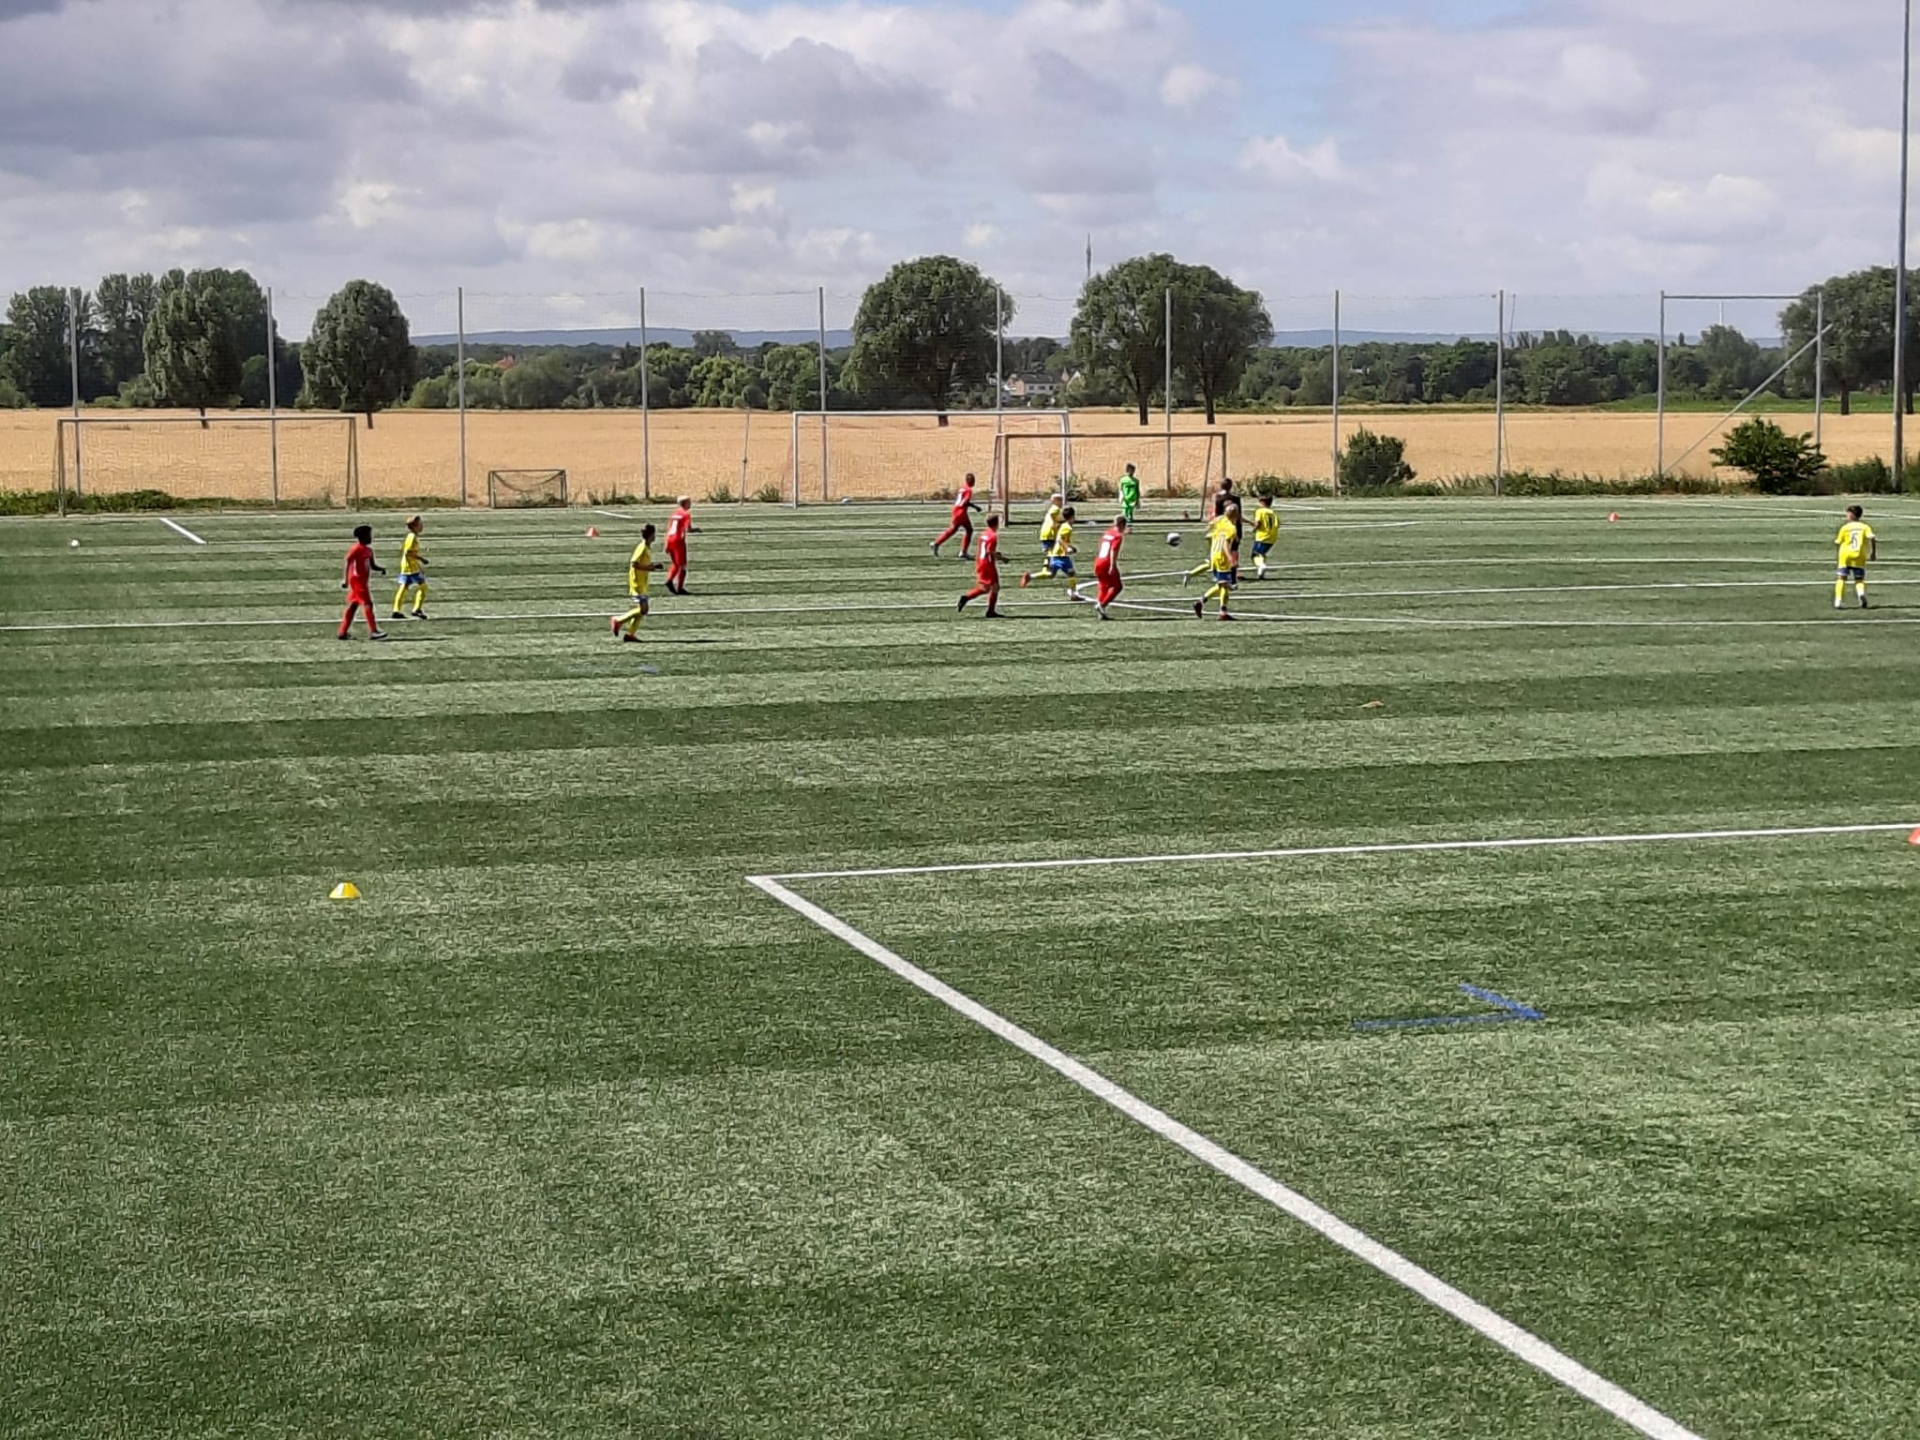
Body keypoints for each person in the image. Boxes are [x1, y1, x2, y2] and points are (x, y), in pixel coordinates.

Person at [338, 524, 389, 641]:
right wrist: (345, 579)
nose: (371, 537)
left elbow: (372, 565)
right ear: (362, 537)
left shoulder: (369, 551)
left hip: (363, 581)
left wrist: (380, 569)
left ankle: (342, 632)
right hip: (357, 580)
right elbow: (348, 561)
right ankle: (373, 631)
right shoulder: (356, 549)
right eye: (368, 535)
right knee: (367, 604)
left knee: (353, 606)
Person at [611, 523, 659, 642]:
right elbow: (634, 563)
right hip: (637, 582)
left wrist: (652, 566)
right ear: (651, 535)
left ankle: (630, 634)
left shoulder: (646, 547)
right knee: (643, 609)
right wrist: (649, 567)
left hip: (642, 582)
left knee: (642, 610)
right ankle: (618, 620)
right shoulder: (642, 547)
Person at [1193, 506, 1238, 621]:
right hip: (1222, 557)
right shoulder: (1231, 528)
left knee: (1221, 584)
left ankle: (1201, 602)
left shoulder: (1219, 519)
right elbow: (1225, 543)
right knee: (1225, 585)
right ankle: (1223, 612)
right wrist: (1230, 558)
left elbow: (1208, 528)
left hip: (1214, 554)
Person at [958, 514, 1006, 617]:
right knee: (995, 587)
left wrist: (995, 553)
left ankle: (966, 598)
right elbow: (989, 551)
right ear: (996, 523)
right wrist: (1001, 558)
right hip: (988, 563)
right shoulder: (993, 536)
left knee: (986, 588)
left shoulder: (984, 534)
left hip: (980, 561)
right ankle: (990, 611)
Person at [1021, 506, 1076, 589]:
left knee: (1051, 574)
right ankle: (1073, 593)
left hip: (1056, 554)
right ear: (1072, 517)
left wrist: (1070, 547)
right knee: (1071, 573)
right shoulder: (1067, 528)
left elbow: (1062, 540)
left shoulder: (1065, 526)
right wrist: (1067, 548)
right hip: (1060, 555)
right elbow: (1059, 539)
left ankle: (1030, 576)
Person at [1835, 504, 1877, 609]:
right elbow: (1872, 538)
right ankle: (1861, 594)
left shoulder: (1845, 527)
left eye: (1847, 513)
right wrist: (1873, 553)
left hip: (1845, 556)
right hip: (1859, 556)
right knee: (1859, 579)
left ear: (1852, 515)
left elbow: (1838, 541)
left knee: (1841, 578)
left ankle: (1838, 600)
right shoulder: (1865, 527)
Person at [933, 473, 982, 558]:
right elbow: (965, 502)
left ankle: (937, 543)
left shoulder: (962, 488)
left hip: (956, 510)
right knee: (968, 530)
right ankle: (962, 551)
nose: (974, 482)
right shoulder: (968, 490)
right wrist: (976, 507)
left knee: (955, 529)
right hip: (961, 512)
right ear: (970, 481)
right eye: (973, 480)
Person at [391, 514, 429, 619]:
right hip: (410, 567)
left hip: (407, 565)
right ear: (415, 526)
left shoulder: (410, 536)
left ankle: (396, 610)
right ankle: (416, 609)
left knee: (404, 587)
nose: (422, 526)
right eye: (420, 524)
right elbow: (408, 552)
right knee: (423, 587)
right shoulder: (412, 537)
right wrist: (421, 559)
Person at [1094, 514, 1128, 619]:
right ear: (1122, 525)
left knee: (1103, 586)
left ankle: (1101, 612)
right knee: (1117, 586)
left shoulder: (1107, 533)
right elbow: (1113, 550)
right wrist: (1112, 565)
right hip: (1107, 562)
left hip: (1099, 561)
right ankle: (1102, 605)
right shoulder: (1118, 536)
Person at [664, 497, 697, 594]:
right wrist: (697, 530)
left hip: (670, 539)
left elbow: (669, 529)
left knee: (675, 563)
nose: (690, 504)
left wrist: (666, 544)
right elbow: (688, 529)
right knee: (682, 565)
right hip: (679, 541)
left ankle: (670, 581)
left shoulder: (674, 514)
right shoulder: (685, 514)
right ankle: (679, 588)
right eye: (689, 502)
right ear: (685, 503)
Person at [1250, 495, 1280, 580]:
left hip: (1262, 536)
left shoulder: (1260, 511)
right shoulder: (1272, 512)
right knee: (1262, 553)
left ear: (1262, 502)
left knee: (1255, 554)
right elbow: (1278, 524)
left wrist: (1254, 528)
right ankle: (1260, 572)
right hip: (1272, 536)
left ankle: (1261, 565)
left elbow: (1258, 523)